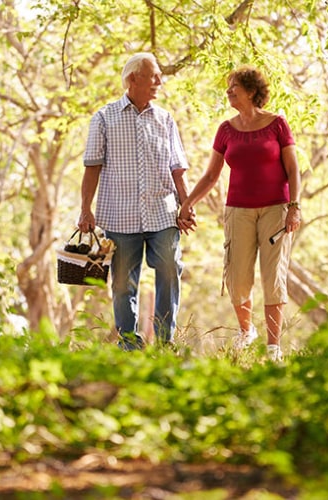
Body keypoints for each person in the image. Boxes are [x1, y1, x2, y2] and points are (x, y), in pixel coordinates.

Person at [178, 65, 301, 362]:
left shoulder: (277, 124)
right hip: (238, 212)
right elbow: (211, 175)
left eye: (234, 86)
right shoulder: (225, 129)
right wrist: (188, 202)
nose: (228, 91)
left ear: (251, 90)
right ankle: (247, 333)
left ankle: (274, 349)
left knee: (273, 278)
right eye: (228, 86)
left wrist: (294, 207)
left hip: (276, 211)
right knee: (237, 277)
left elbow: (293, 168)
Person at [78, 52, 192, 351]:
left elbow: (177, 169)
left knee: (170, 266)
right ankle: (129, 344)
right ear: (133, 79)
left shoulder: (165, 119)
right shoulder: (104, 117)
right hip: (119, 215)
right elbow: (92, 166)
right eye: (153, 76)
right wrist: (85, 208)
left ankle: (165, 341)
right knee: (122, 284)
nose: (159, 81)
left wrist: (187, 204)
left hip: (162, 212)